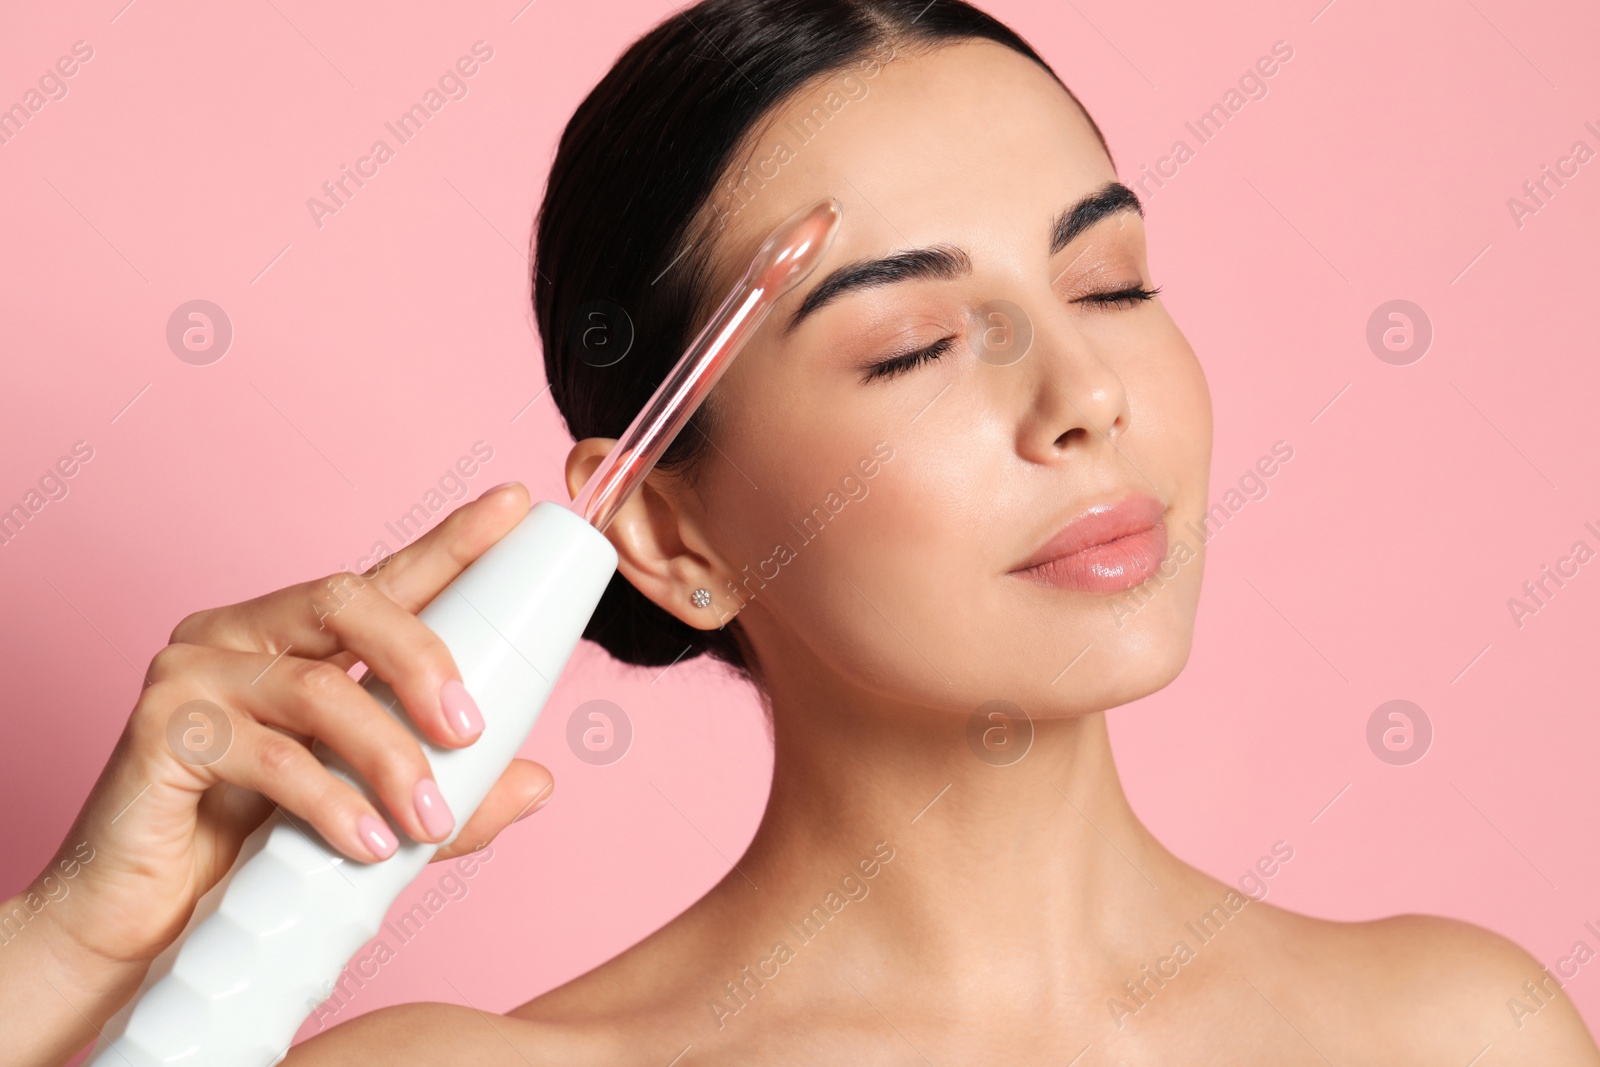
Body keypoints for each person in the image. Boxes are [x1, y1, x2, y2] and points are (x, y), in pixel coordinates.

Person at [7, 1, 1596, 1063]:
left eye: (1108, 286)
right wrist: (68, 956)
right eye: (912, 342)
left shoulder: (1460, 1031)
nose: (1087, 396)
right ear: (672, 533)